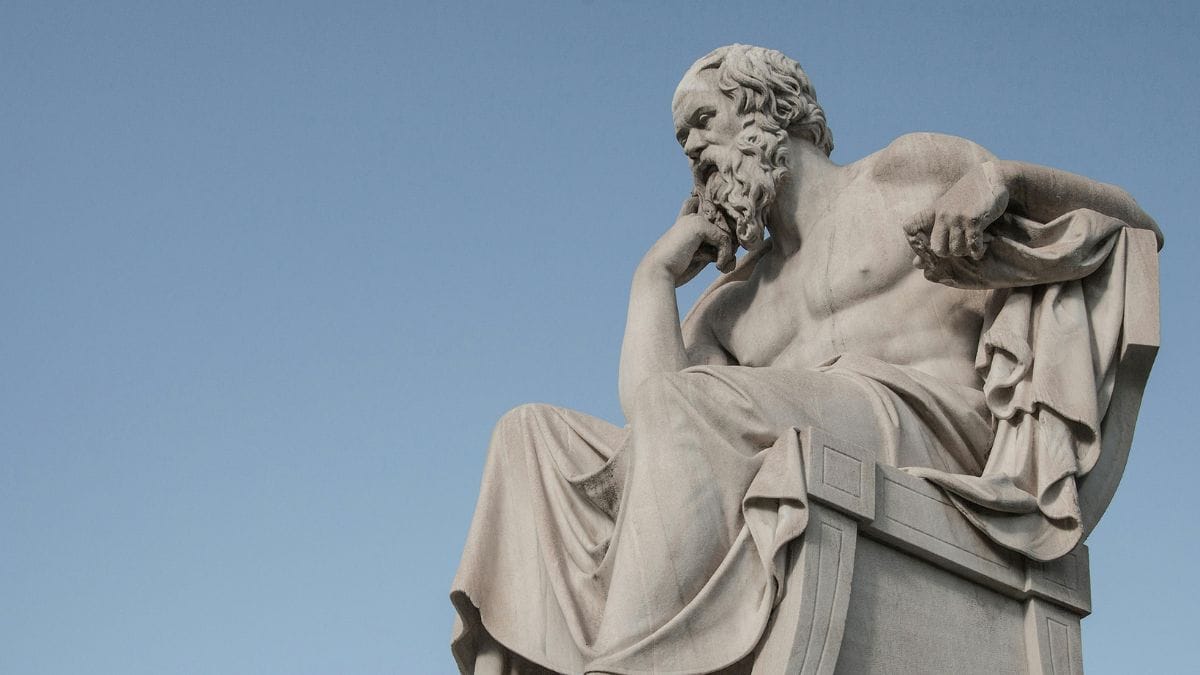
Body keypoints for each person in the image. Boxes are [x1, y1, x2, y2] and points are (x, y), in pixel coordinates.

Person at [451, 44, 1160, 674]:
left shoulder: (899, 172)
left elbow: (1132, 221)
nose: (692, 150)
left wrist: (1005, 181)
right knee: (528, 435)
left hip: (926, 422)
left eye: (702, 121)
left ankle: (632, 665)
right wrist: (655, 277)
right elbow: (651, 419)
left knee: (695, 398)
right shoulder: (735, 301)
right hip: (795, 426)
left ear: (767, 107)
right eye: (681, 140)